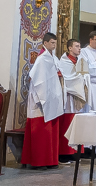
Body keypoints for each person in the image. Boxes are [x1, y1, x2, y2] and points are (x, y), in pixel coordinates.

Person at [24, 33, 69, 169]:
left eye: (55, 43)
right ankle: (39, 161)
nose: (54, 46)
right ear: (45, 43)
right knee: (41, 131)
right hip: (40, 97)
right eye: (52, 43)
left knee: (51, 131)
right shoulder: (42, 59)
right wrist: (42, 97)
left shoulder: (53, 58)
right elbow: (37, 79)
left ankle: (50, 160)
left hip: (52, 98)